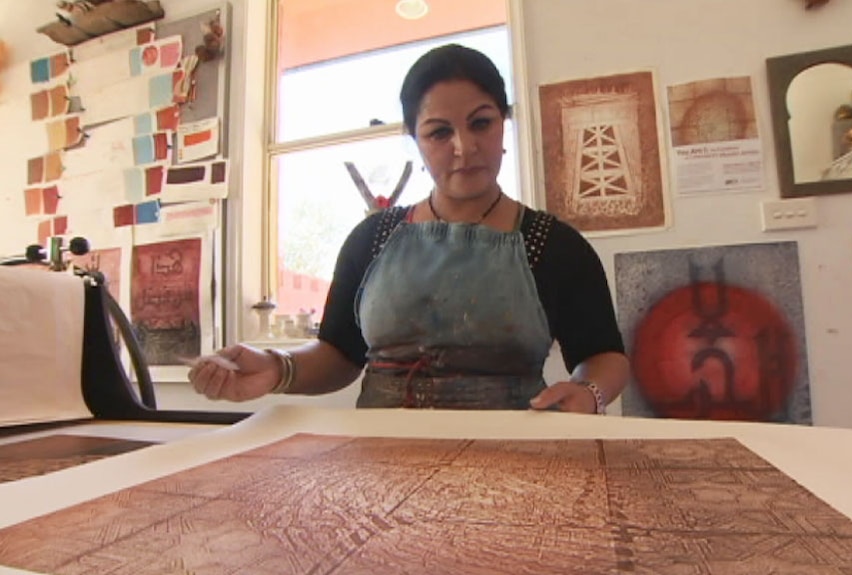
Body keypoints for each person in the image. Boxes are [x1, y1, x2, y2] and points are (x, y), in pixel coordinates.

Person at [189, 44, 629, 413]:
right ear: (416, 140)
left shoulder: (553, 245)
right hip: (380, 460)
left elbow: (604, 356)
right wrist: (276, 366)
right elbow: (339, 355)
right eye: (439, 132)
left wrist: (589, 394)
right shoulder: (372, 239)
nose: (464, 147)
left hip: (514, 455)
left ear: (504, 123)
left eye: (481, 123)